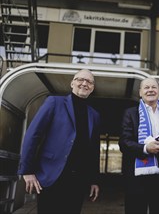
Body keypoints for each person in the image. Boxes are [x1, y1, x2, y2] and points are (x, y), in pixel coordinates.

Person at [18, 69, 101, 214]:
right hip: (51, 175)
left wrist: (94, 180)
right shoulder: (54, 102)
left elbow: (93, 150)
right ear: (72, 83)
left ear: (92, 88)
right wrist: (27, 171)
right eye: (80, 79)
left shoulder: (94, 114)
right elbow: (33, 135)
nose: (84, 83)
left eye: (89, 81)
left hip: (78, 181)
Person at [119, 78, 159, 214]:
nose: (150, 90)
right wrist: (145, 148)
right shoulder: (130, 113)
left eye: (153, 87)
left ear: (158, 91)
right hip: (136, 180)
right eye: (146, 87)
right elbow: (124, 143)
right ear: (140, 92)